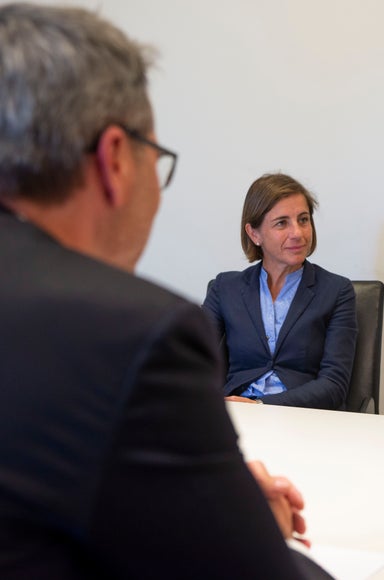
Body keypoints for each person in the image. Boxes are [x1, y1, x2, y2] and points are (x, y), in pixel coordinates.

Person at [0, 4, 330, 578]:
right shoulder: (136, 334)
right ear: (116, 160)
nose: (295, 232)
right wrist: (242, 522)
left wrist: (197, 482)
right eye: (160, 160)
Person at [203, 173, 357, 410]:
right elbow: (192, 360)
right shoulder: (225, 288)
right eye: (281, 223)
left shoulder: (337, 291)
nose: (297, 233)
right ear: (254, 233)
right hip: (236, 413)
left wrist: (261, 405)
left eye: (303, 220)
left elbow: (334, 385)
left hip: (305, 418)